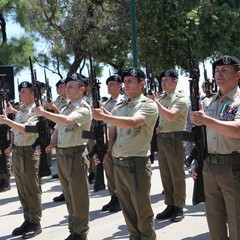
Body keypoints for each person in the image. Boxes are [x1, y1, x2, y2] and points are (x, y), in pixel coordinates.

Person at [93, 67, 158, 240]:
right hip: (119, 163)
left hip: (136, 164)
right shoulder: (120, 105)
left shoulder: (148, 105)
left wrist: (105, 117)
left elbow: (133, 122)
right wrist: (105, 151)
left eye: (130, 81)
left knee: (142, 210)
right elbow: (112, 131)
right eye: (125, 81)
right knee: (128, 209)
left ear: (141, 84)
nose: (126, 84)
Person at [33, 73, 92, 240]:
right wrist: (51, 144)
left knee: (78, 196)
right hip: (63, 155)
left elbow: (66, 121)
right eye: (67, 86)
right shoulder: (67, 107)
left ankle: (81, 233)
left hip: (76, 154)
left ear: (82, 89)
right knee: (69, 195)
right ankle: (73, 230)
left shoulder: (83, 108)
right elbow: (59, 129)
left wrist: (44, 113)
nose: (67, 89)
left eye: (71, 86)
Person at [190, 55, 240, 240]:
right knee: (215, 223)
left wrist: (206, 120)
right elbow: (199, 137)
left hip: (233, 167)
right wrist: (197, 163)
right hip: (208, 167)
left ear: (238, 75)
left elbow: (237, 130)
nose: (219, 74)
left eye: (225, 70)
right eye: (217, 71)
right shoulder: (208, 102)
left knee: (237, 223)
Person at [0, 81, 42, 239]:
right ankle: (28, 219)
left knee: (31, 188)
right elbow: (15, 131)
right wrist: (11, 145)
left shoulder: (36, 111)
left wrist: (6, 120)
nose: (21, 94)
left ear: (32, 94)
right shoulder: (21, 110)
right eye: (20, 91)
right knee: (22, 189)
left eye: (24, 92)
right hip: (18, 152)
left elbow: (28, 130)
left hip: (29, 152)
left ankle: (36, 222)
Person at [149, 69, 188, 223]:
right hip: (163, 138)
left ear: (175, 82)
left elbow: (171, 116)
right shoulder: (163, 98)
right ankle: (170, 204)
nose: (163, 83)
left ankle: (179, 206)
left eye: (166, 80)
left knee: (176, 175)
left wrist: (155, 102)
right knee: (165, 174)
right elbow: (161, 118)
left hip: (175, 139)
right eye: (162, 80)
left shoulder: (180, 99)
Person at [100, 74, 124, 213]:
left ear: (119, 86)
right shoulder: (107, 103)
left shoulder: (122, 101)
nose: (109, 86)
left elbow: (116, 120)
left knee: (117, 170)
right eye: (108, 84)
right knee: (108, 169)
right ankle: (113, 196)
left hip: (117, 139)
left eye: (112, 84)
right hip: (106, 138)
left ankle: (121, 198)